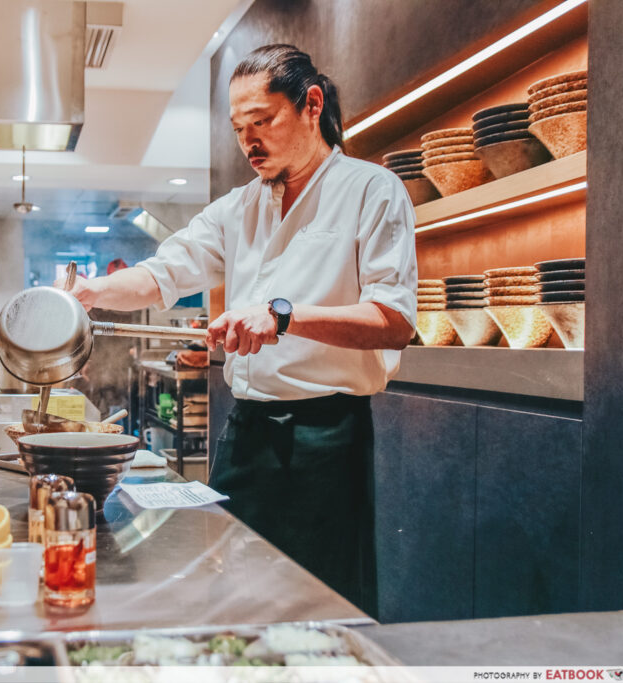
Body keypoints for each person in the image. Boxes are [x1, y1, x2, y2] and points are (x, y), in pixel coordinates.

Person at [59, 44, 417, 614]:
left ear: (311, 105)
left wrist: (282, 318)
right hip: (247, 430)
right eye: (238, 127)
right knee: (229, 589)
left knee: (319, 600)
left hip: (326, 435)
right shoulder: (238, 207)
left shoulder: (370, 190)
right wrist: (92, 295)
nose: (249, 141)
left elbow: (393, 322)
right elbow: (162, 274)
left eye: (263, 121)